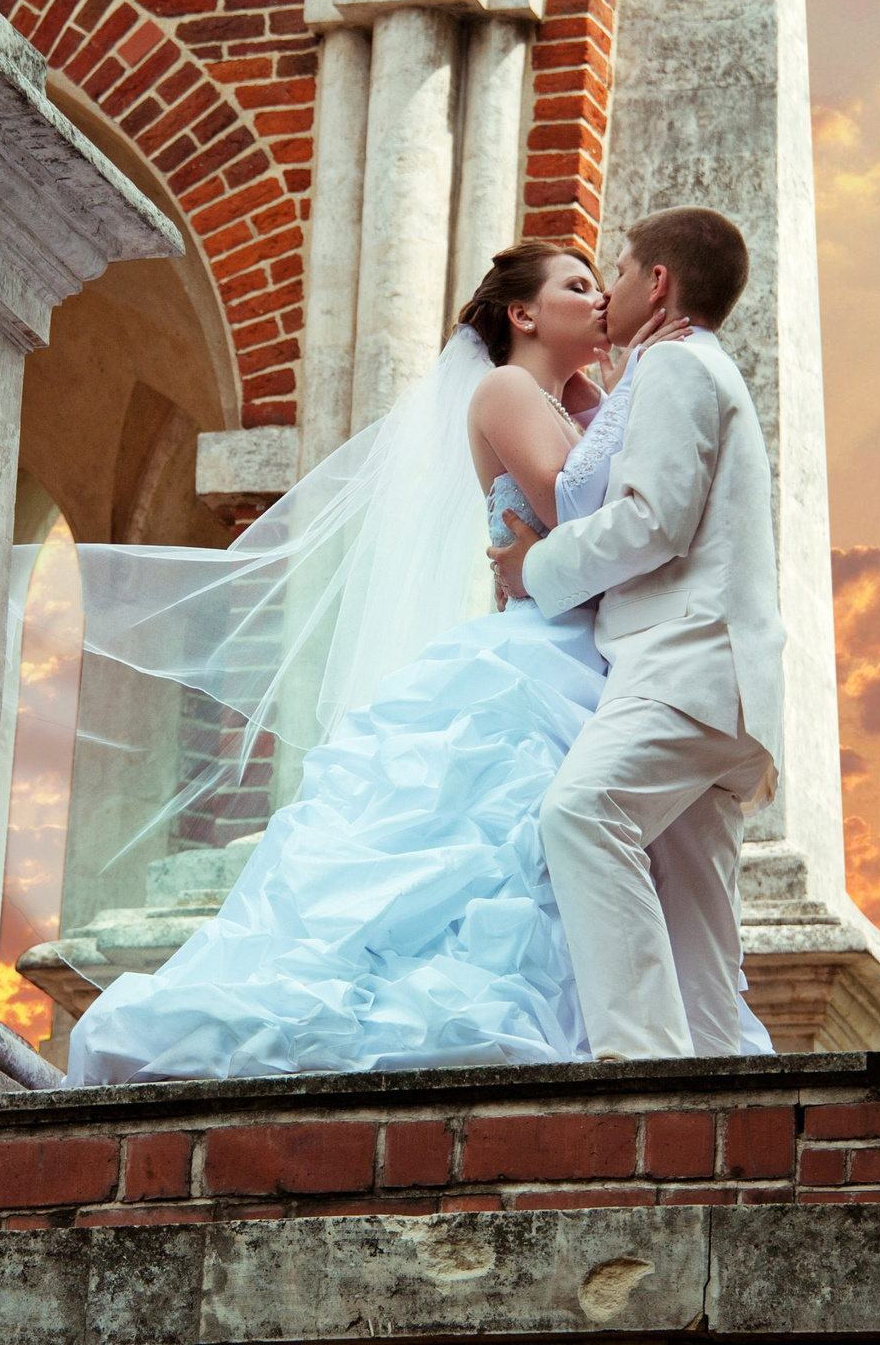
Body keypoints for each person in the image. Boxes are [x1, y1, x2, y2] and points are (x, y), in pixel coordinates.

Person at [61, 237, 774, 1084]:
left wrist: (614, 396)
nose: (598, 298)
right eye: (577, 285)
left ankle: (665, 1053)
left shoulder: (598, 397)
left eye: (604, 281)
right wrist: (621, 399)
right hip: (542, 652)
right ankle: (625, 1058)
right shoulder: (507, 389)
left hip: (606, 652)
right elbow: (570, 504)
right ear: (523, 314)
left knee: (612, 851)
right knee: (541, 832)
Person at [488, 206, 787, 1061]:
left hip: (684, 669)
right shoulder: (682, 368)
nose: (606, 290)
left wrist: (536, 567)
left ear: (657, 283)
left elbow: (655, 519)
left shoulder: (678, 367)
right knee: (696, 926)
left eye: (615, 272)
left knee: (581, 814)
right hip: (720, 687)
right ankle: (717, 1090)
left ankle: (641, 1070)